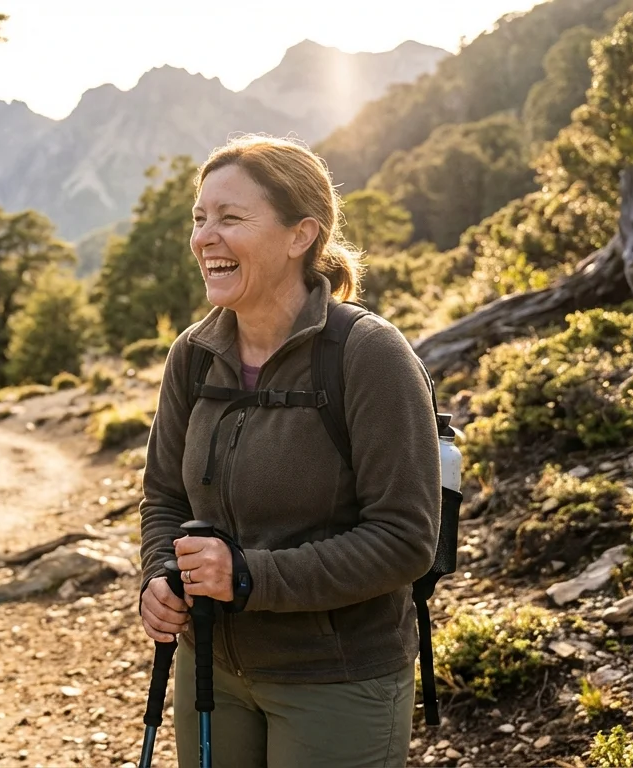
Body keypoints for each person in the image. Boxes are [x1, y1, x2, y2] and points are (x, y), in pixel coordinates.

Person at [137, 134, 439, 768]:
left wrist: (248, 576)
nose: (204, 238)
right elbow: (164, 495)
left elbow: (406, 538)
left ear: (302, 234)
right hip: (210, 668)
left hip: (336, 679)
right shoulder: (193, 355)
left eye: (230, 218)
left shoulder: (369, 355)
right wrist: (159, 575)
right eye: (199, 218)